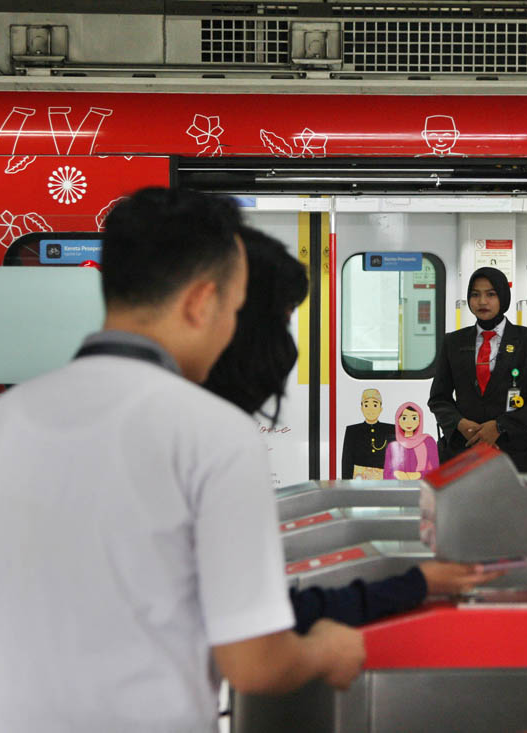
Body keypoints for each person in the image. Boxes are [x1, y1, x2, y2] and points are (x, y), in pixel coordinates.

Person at [0, 189, 364, 733]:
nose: (231, 328)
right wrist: (325, 649)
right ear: (201, 303)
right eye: (232, 307)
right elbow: (254, 664)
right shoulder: (214, 435)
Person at [206, 226, 504, 633]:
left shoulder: (196, 422)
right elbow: (251, 638)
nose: (286, 351)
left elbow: (262, 607)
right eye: (278, 325)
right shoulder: (199, 436)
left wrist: (413, 585)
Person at [428, 267, 527, 481]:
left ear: (503, 297)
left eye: (490, 294)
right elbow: (439, 399)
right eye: (475, 295)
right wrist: (460, 424)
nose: (482, 301)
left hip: (516, 456)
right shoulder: (453, 342)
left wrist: (499, 427)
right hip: (462, 454)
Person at [340, 388, 396, 480]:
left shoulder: (390, 429)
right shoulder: (352, 431)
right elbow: (347, 460)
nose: (370, 409)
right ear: (361, 408)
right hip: (358, 481)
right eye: (366, 405)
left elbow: (394, 459)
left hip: (385, 481)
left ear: (381, 408)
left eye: (375, 405)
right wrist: (346, 484)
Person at [382, 401, 440, 480]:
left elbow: (435, 471)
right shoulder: (393, 445)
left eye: (414, 418)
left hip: (423, 489)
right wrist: (396, 475)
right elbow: (386, 475)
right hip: (399, 490)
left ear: (420, 420)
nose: (409, 422)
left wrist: (418, 475)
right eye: (404, 418)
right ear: (398, 420)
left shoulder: (428, 441)